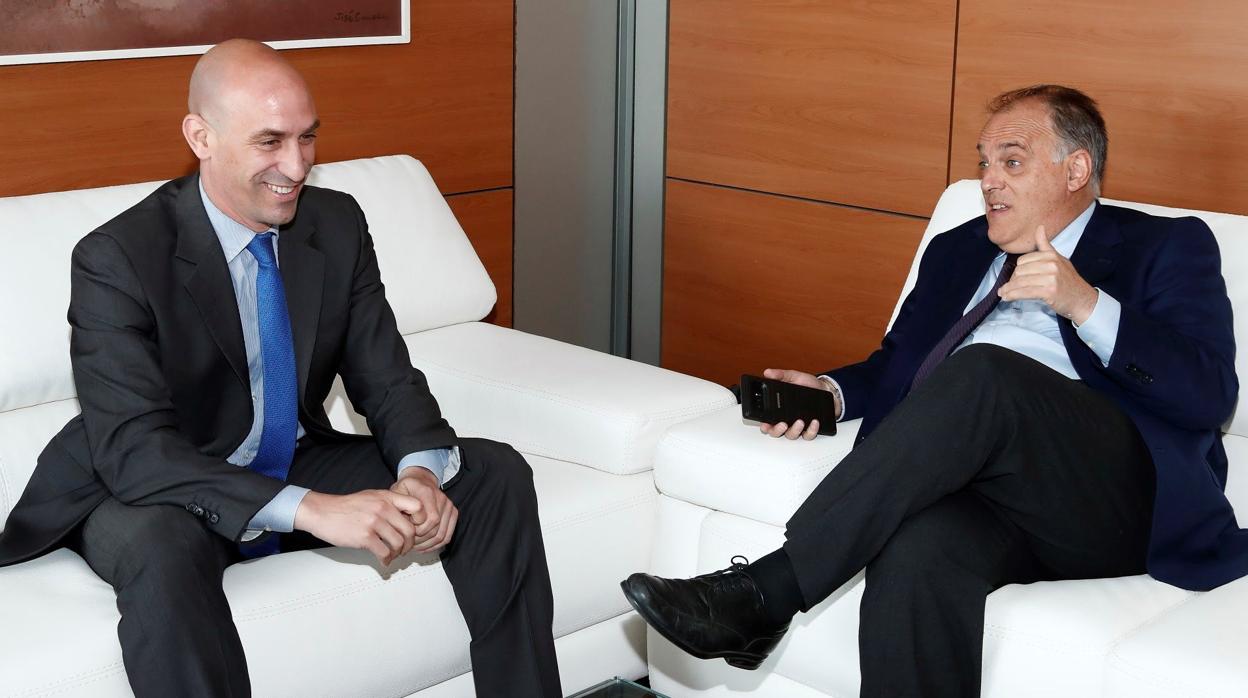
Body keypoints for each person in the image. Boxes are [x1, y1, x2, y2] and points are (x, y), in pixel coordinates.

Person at [622, 85, 1248, 697]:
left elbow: (1210, 393)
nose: (989, 181)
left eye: (1011, 162)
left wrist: (1084, 302)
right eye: (984, 163)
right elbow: (898, 367)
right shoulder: (957, 251)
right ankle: (768, 602)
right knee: (918, 549)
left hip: (1111, 498)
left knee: (988, 371)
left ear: (1076, 170)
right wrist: (831, 391)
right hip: (992, 492)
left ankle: (769, 592)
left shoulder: (1164, 246)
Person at [0, 39, 561, 698]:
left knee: (491, 473)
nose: (296, 167)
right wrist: (314, 510)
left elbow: (386, 378)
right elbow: (136, 451)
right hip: (150, 484)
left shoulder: (336, 224)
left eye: (307, 138)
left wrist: (418, 475)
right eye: (269, 142)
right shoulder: (118, 257)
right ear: (201, 137)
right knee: (163, 548)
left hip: (284, 457)